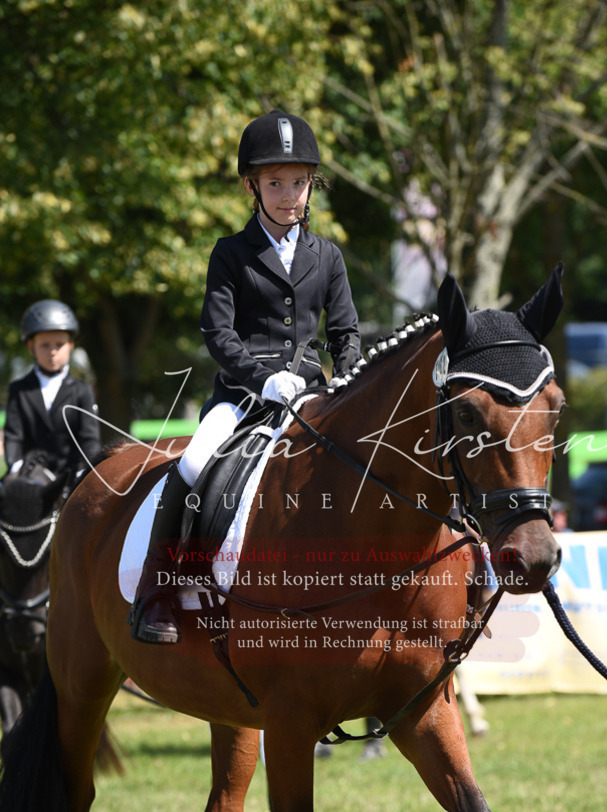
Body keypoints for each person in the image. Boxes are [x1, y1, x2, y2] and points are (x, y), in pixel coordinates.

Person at [129, 109, 361, 644]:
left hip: (311, 396)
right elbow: (218, 332)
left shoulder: (327, 256)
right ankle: (159, 589)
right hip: (241, 396)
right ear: (251, 186)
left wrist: (347, 384)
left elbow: (346, 332)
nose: (289, 195)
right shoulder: (231, 253)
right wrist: (262, 379)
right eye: (275, 183)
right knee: (190, 462)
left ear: (312, 186)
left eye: (299, 183)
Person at [3, 300, 101, 480]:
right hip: (29, 475)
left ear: (70, 345)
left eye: (59, 344)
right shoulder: (19, 390)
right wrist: (16, 468)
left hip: (72, 476)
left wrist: (84, 471)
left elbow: (89, 439)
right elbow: (13, 437)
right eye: (45, 345)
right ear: (31, 346)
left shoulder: (82, 391)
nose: (53, 352)